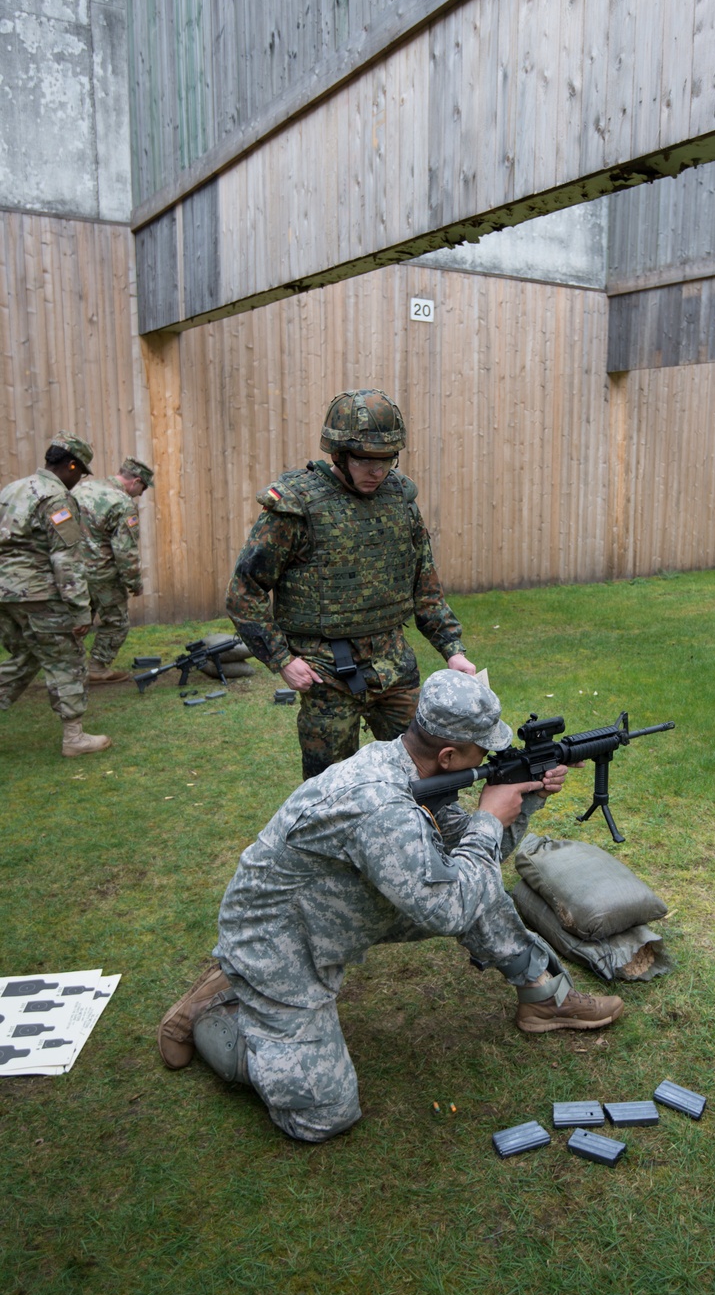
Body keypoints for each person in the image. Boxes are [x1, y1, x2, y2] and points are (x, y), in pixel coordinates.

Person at [157, 670, 625, 1143]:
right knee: (323, 1116)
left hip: (339, 907)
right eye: (483, 749)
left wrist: (522, 799)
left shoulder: (411, 766)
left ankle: (544, 1000)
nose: (491, 756)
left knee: (475, 884)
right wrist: (488, 817)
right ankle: (224, 1004)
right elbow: (448, 908)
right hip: (280, 943)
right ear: (448, 755)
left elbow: (467, 859)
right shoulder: (380, 803)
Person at [226, 388, 477, 779]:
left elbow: (424, 588)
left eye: (385, 460)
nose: (376, 471)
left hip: (394, 666)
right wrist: (282, 661)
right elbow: (245, 592)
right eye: (364, 460)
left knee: (428, 776)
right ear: (339, 454)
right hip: (325, 673)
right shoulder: (295, 506)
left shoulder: (400, 499)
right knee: (331, 791)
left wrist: (453, 650)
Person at [0, 432, 111, 756]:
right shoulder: (55, 497)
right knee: (67, 660)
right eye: (80, 471)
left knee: (26, 657)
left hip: (5, 596)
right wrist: (79, 610)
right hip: (38, 595)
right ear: (71, 465)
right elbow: (66, 558)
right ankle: (74, 738)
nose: (79, 479)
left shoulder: (12, 489)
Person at [75, 456, 154, 684]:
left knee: (79, 621)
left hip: (70, 574)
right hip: (103, 575)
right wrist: (134, 583)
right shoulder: (122, 503)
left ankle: (72, 670)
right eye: (143, 487)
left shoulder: (82, 489)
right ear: (135, 481)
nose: (141, 493)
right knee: (116, 622)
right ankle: (97, 668)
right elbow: (124, 551)